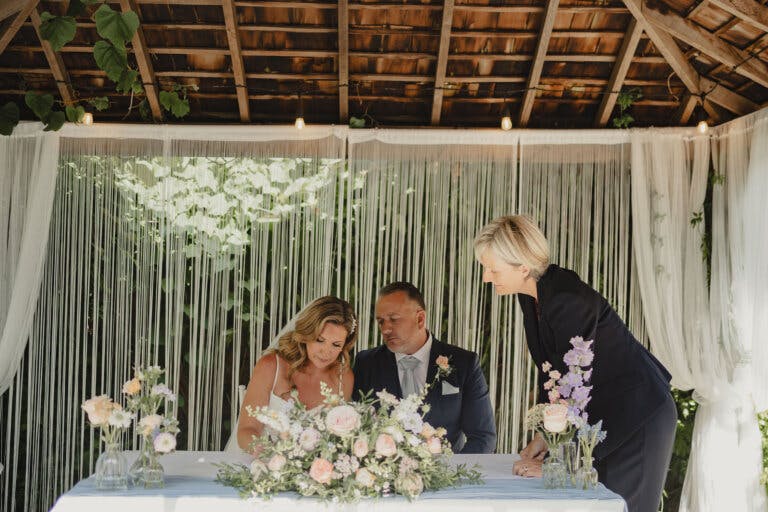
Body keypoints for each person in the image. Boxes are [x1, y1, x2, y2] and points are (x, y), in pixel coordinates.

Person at [474, 215, 676, 512]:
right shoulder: (532, 297)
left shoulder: (566, 300)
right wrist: (545, 434)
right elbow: (553, 373)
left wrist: (560, 464)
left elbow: (576, 385)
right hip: (606, 419)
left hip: (637, 418)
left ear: (523, 267)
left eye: (493, 269)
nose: (487, 278)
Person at [353, 282, 497, 454]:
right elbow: (357, 431)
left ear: (420, 319)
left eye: (394, 319)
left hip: (448, 475)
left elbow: (483, 437)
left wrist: (454, 476)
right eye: (381, 321)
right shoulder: (366, 363)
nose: (385, 329)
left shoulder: (464, 363)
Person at [235, 296, 357, 453]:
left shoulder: (344, 377)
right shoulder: (271, 365)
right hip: (264, 466)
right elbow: (246, 430)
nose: (326, 352)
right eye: (320, 340)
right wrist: (275, 459)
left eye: (336, 345)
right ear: (306, 333)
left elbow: (339, 437)